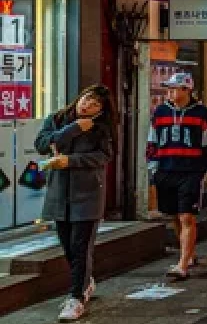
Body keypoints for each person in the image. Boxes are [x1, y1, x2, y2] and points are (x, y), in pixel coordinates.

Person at [34, 85, 114, 322]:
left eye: (95, 104)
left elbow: (104, 156)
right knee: (68, 246)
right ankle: (85, 282)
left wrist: (71, 160)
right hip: (59, 193)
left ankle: (76, 298)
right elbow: (41, 144)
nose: (87, 105)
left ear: (101, 110)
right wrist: (73, 129)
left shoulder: (102, 128)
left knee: (80, 247)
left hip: (88, 194)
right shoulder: (57, 119)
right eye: (86, 99)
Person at [146, 73, 207, 281]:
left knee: (187, 216)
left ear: (187, 90)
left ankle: (182, 264)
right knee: (174, 215)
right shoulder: (160, 112)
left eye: (175, 89)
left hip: (191, 171)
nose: (170, 93)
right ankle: (189, 253)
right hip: (165, 169)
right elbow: (152, 141)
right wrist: (152, 167)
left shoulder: (203, 114)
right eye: (168, 89)